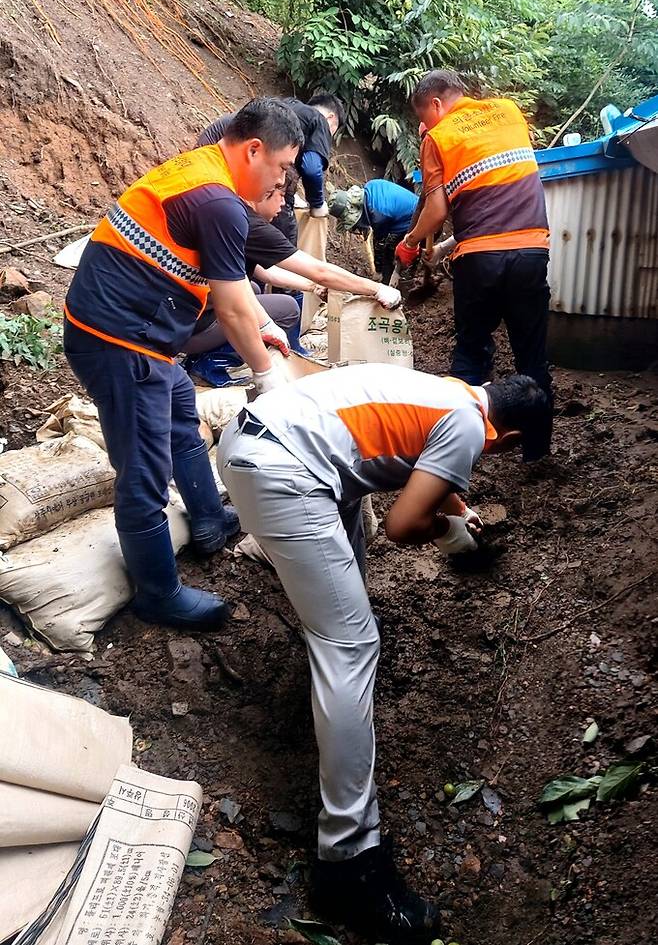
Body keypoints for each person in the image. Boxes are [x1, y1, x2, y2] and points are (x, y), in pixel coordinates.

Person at [217, 367, 551, 942]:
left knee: (346, 597)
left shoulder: (453, 393)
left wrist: (454, 514)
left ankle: (332, 699)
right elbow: (402, 524)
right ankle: (349, 861)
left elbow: (425, 467)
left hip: (259, 441)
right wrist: (451, 537)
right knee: (351, 645)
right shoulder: (471, 427)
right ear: (511, 438)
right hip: (286, 471)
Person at [63, 98, 304, 632]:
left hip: (134, 331)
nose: (282, 180)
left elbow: (240, 293)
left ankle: (210, 520)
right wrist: (268, 377)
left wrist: (262, 326)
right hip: (118, 341)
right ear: (254, 149)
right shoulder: (216, 199)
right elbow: (233, 304)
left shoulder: (204, 171)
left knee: (180, 417)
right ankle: (157, 592)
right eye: (283, 167)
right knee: (143, 469)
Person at [397, 70, 552, 425]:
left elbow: (436, 211)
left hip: (480, 262)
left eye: (424, 118)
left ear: (435, 104)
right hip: (531, 251)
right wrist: (441, 249)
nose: (425, 126)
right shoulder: (511, 112)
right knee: (532, 357)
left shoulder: (438, 137)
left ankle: (461, 441)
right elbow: (496, 197)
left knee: (472, 352)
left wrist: (410, 242)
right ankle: (536, 450)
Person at [183, 182, 402, 383]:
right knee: (286, 309)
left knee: (253, 287)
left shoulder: (231, 214)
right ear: (264, 194)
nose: (282, 207)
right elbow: (320, 271)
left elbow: (265, 273)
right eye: (281, 198)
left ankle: (201, 357)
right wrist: (377, 288)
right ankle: (211, 363)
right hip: (188, 331)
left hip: (185, 318)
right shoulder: (250, 226)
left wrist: (312, 287)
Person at [198, 93, 345, 244]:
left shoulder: (288, 105)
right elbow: (312, 168)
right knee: (284, 235)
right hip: (224, 164)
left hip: (207, 150)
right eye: (333, 131)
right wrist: (318, 203)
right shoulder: (319, 120)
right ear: (331, 117)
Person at [328, 179, 419, 282]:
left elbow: (379, 244)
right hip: (413, 206)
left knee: (389, 252)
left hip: (417, 222)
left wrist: (379, 271)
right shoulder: (370, 186)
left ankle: (389, 282)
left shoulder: (378, 216)